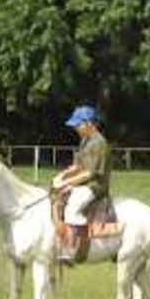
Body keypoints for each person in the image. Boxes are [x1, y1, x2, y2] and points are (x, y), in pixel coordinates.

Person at [52, 105, 111, 262]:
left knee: (72, 209)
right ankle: (59, 238)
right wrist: (62, 175)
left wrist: (67, 183)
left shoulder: (99, 143)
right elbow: (78, 166)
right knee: (58, 198)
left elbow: (90, 173)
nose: (76, 128)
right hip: (84, 183)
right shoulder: (85, 141)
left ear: (89, 123)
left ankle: (73, 247)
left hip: (95, 186)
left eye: (78, 124)